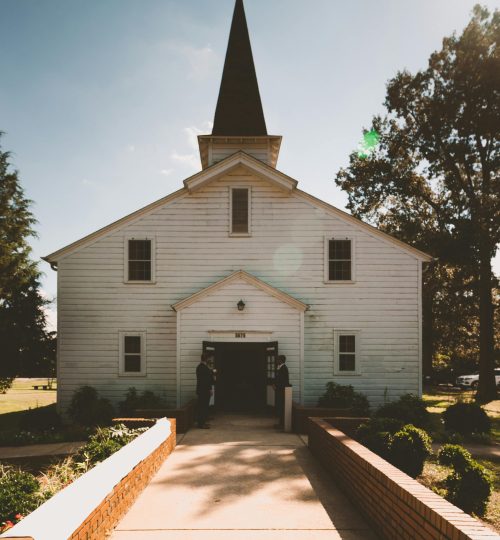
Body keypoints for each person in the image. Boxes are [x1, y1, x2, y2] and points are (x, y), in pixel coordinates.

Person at [196, 352, 214, 429]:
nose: (211, 360)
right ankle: (201, 423)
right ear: (206, 359)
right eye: (209, 358)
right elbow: (205, 380)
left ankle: (203, 422)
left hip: (203, 390)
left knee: (204, 406)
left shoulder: (203, 367)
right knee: (203, 406)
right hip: (203, 390)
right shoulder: (202, 367)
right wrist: (209, 389)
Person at [273, 355, 289, 429]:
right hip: (279, 389)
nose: (276, 361)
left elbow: (283, 380)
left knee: (282, 406)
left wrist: (277, 386)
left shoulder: (284, 369)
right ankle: (280, 423)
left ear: (281, 360)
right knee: (279, 406)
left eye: (278, 359)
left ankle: (282, 424)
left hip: (281, 390)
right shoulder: (280, 368)